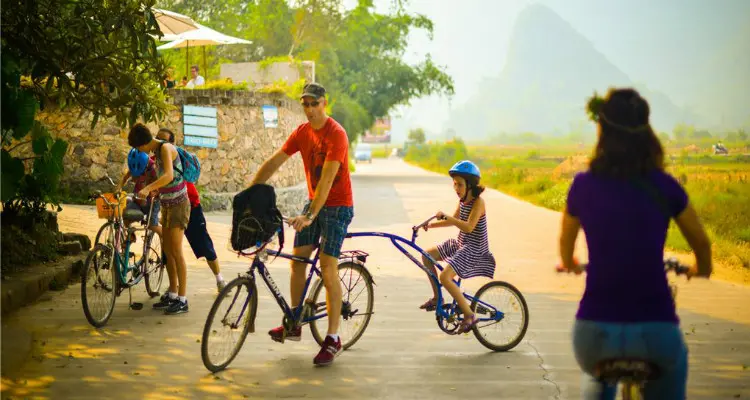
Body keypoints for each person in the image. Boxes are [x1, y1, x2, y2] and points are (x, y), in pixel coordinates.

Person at [558, 88, 712, 399]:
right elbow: (701, 241)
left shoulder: (583, 185)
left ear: (602, 130)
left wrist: (571, 263)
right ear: (646, 131)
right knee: (675, 366)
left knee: (595, 378)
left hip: (595, 331)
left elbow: (565, 242)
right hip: (655, 330)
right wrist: (701, 268)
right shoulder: (665, 186)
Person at [248, 82, 354, 366]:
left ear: (324, 104)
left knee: (328, 267)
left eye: (314, 104)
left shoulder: (337, 134)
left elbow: (329, 179)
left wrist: (310, 215)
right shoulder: (302, 133)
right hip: (314, 203)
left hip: (337, 206)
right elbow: (276, 161)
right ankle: (294, 321)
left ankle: (333, 338)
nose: (309, 110)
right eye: (305, 104)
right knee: (297, 261)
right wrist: (252, 190)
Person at [418, 160, 496, 334]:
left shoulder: (478, 202)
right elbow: (453, 220)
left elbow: (468, 226)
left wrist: (446, 217)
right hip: (461, 243)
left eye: (460, 184)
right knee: (426, 256)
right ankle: (437, 298)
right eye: (454, 184)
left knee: (445, 277)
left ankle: (470, 315)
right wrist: (430, 225)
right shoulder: (462, 201)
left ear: (470, 185)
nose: (456, 188)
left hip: (475, 248)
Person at [128, 123, 191, 315]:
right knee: (168, 250)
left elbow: (169, 175)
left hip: (179, 204)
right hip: (167, 203)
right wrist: (153, 190)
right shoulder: (156, 151)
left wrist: (147, 189)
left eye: (138, 148)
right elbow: (165, 180)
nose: (139, 152)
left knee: (176, 251)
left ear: (142, 144)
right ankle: (172, 293)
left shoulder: (165, 148)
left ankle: (182, 298)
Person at [156, 128, 226, 294]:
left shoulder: (174, 157)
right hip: (171, 207)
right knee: (169, 250)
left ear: (172, 143)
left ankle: (219, 279)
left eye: (164, 141)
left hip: (191, 206)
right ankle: (174, 287)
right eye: (158, 139)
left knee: (203, 245)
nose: (160, 144)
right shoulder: (157, 160)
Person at [118, 149, 162, 241]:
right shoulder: (135, 165)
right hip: (138, 201)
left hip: (152, 203)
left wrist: (152, 192)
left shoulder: (154, 169)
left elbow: (161, 187)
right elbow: (125, 178)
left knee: (152, 225)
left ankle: (164, 238)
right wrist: (118, 188)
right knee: (124, 214)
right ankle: (131, 236)